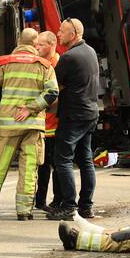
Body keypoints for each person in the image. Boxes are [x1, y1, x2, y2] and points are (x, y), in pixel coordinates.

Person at [0, 28, 58, 220]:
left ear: (18, 42)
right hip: (33, 127)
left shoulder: (3, 62)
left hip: (8, 127)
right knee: (29, 168)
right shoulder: (45, 65)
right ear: (34, 44)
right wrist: (31, 108)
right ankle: (24, 212)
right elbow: (52, 93)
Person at [47, 18, 100, 221]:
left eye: (62, 31)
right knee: (86, 160)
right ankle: (86, 206)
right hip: (90, 114)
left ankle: (69, 206)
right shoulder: (90, 51)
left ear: (74, 34)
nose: (58, 34)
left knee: (63, 159)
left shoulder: (69, 58)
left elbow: (54, 89)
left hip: (73, 116)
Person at [33, 30, 62, 213]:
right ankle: (40, 200)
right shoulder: (40, 64)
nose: (37, 48)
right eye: (36, 45)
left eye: (41, 45)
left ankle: (57, 200)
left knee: (57, 166)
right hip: (42, 123)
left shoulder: (57, 64)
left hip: (55, 124)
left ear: (52, 45)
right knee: (42, 166)